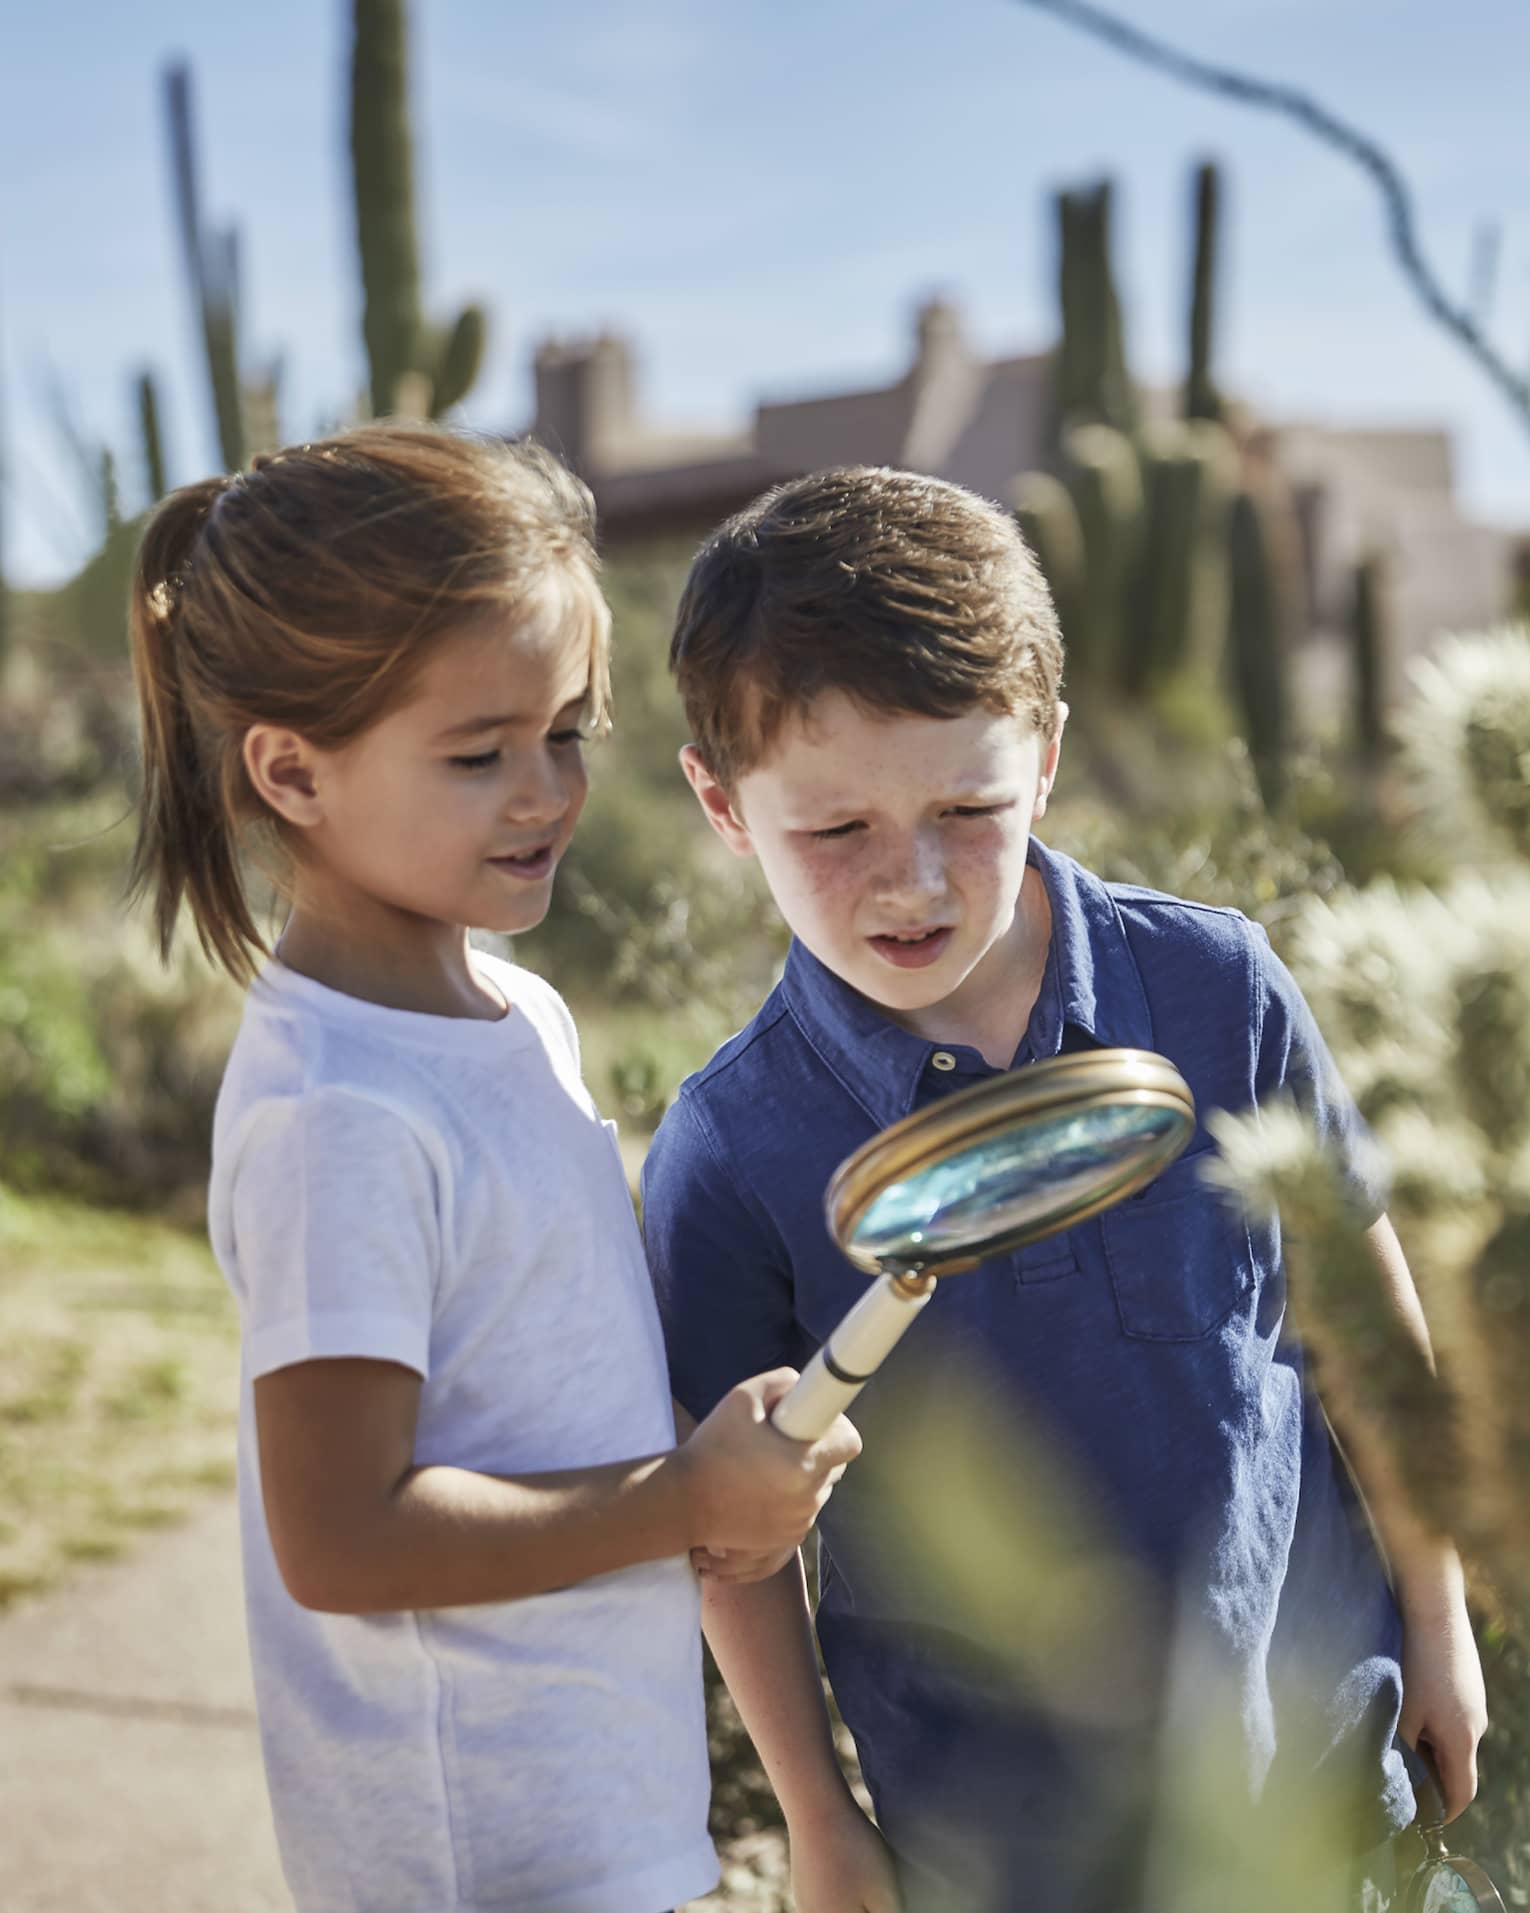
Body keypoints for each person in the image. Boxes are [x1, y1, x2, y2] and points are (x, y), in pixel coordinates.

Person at [641, 465, 1488, 1913]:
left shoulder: (1213, 989)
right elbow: (735, 1540)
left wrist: (1437, 1608)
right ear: (723, 806)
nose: (908, 882)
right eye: (834, 832)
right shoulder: (733, 1147)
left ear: (1042, 755)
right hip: (1006, 1848)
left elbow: (1354, 1296)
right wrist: (819, 1819)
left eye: (965, 806)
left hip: (1318, 1778)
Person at [126, 424, 862, 1913]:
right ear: (290, 770)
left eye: (566, 732)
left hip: (604, 1829)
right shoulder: (339, 1111)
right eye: (479, 754)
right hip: (482, 1869)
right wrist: (677, 1498)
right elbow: (338, 1534)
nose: (545, 793)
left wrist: (716, 1458)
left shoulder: (514, 1012)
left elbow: (555, 1372)